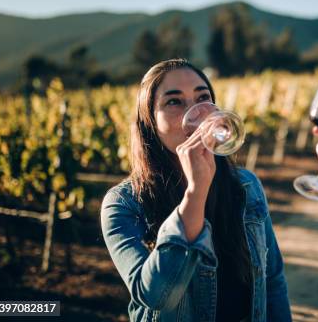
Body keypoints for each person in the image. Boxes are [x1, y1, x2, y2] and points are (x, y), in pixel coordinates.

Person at [101, 59, 291, 322]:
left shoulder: (247, 186)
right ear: (150, 123)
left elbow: (272, 281)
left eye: (203, 97)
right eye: (174, 102)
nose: (198, 113)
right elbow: (157, 297)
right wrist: (196, 191)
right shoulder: (124, 204)